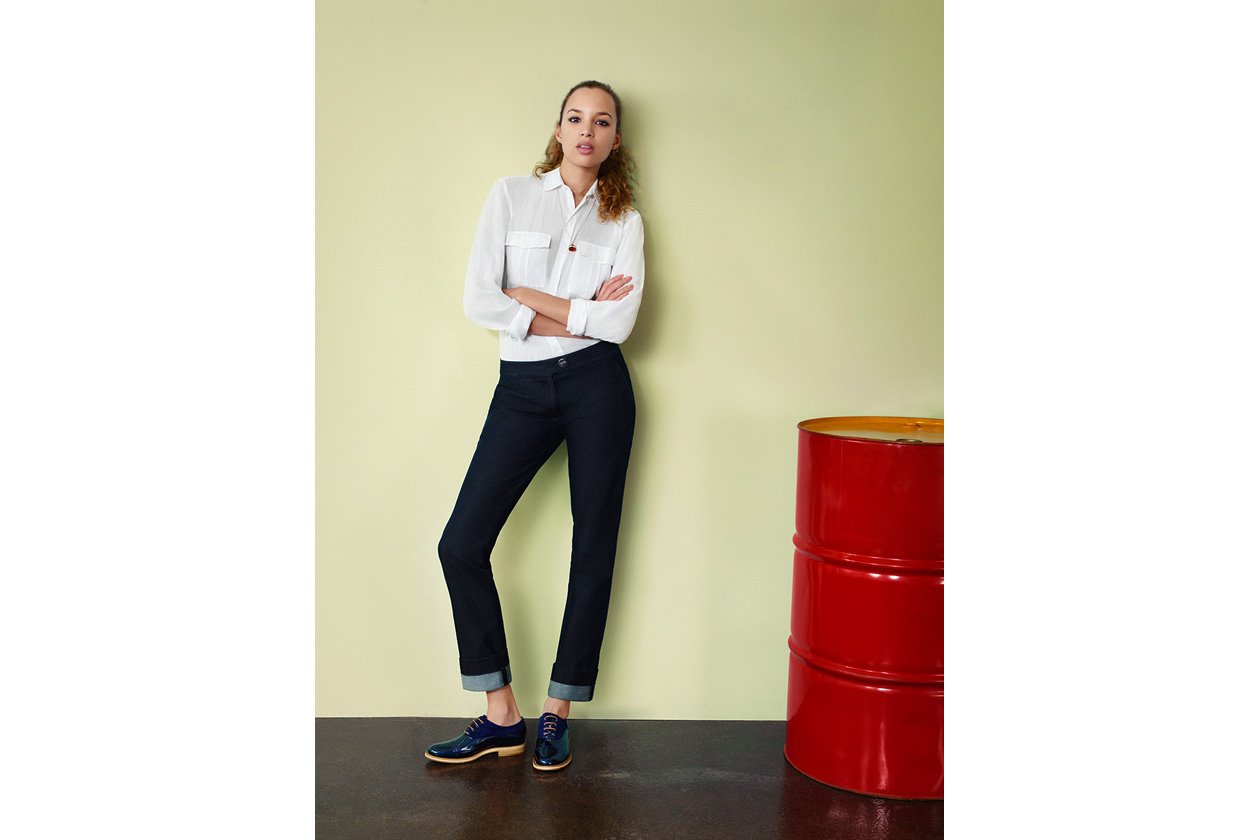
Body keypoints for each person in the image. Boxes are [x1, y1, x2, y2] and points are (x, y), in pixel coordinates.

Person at [424, 81, 644, 772]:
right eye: (576, 118)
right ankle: (502, 716)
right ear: (558, 129)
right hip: (521, 389)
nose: (586, 131)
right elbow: (478, 298)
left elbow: (618, 325)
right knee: (461, 544)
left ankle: (556, 713)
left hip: (598, 387)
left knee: (593, 545)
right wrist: (574, 312)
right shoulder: (512, 196)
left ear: (614, 140)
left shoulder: (625, 221)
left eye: (601, 122)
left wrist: (529, 298)